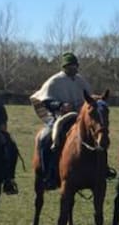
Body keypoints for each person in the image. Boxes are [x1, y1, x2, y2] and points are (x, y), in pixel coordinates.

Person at [29, 52, 94, 188]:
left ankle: (102, 169)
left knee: (97, 135)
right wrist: (60, 105)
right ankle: (48, 173)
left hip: (80, 117)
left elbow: (90, 98)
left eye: (75, 65)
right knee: (45, 138)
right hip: (60, 117)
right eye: (70, 66)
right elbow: (45, 100)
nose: (73, 68)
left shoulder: (81, 81)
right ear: (64, 67)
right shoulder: (54, 81)